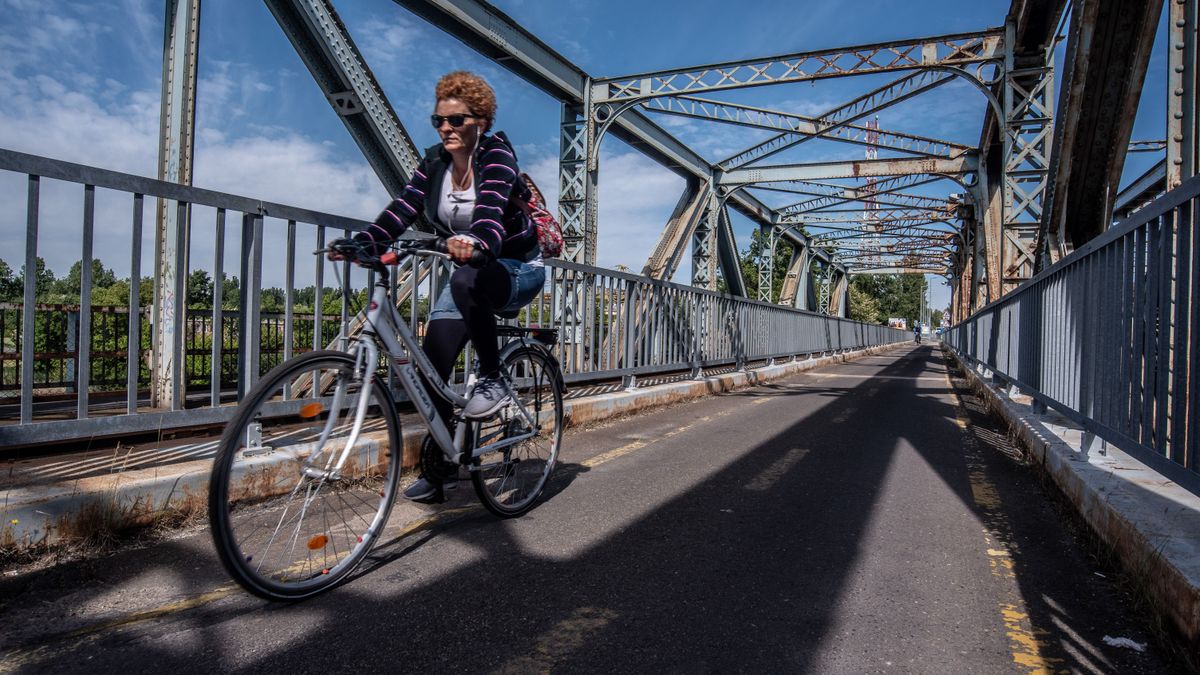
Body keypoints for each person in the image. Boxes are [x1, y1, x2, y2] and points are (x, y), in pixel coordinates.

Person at [333, 71, 544, 501]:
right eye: (439, 121)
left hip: (516, 266)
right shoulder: (434, 164)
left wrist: (480, 242)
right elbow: (403, 208)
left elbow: (490, 210)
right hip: (471, 273)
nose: (445, 128)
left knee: (466, 278)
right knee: (432, 370)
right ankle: (442, 467)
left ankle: (493, 377)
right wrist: (365, 243)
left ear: (480, 122)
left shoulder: (498, 158)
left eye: (456, 120)